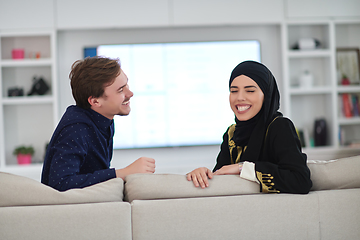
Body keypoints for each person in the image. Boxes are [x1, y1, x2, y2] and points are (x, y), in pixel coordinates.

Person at [187, 60, 312, 194]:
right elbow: (221, 179)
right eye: (234, 91)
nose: (239, 98)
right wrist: (203, 175)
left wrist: (242, 168)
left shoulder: (279, 127)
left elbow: (301, 181)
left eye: (250, 91)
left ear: (266, 95)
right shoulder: (231, 133)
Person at [41, 56, 155, 191]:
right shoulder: (76, 129)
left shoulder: (104, 119)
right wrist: (122, 173)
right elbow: (60, 183)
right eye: (120, 90)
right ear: (95, 102)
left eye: (127, 85)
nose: (130, 93)